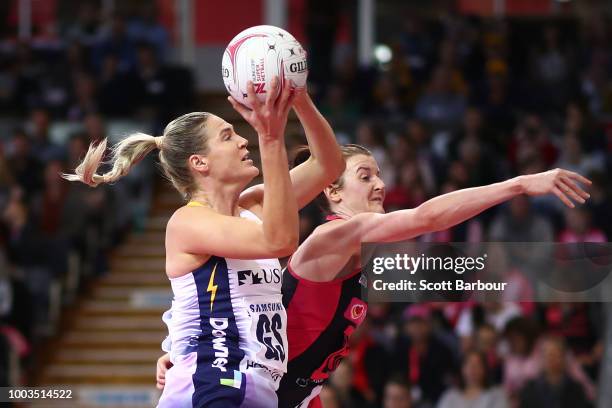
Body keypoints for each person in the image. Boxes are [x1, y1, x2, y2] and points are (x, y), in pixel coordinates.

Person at [158, 144, 590, 407]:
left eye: (380, 173)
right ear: (332, 191)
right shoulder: (332, 239)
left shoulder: (359, 253)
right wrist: (516, 185)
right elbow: (425, 216)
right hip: (256, 390)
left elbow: (238, 302)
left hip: (296, 396)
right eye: (365, 176)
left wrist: (176, 351)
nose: (380, 184)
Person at [67, 78, 344, 407]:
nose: (243, 141)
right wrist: (270, 140)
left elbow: (330, 165)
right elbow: (281, 240)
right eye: (228, 136)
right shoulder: (188, 222)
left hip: (254, 388)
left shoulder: (253, 207)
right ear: (199, 162)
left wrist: (301, 100)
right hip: (214, 384)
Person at [437, 350, 509, 408]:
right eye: (469, 364)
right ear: (462, 369)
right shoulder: (450, 396)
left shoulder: (496, 394)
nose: (473, 369)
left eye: (477, 365)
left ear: (484, 369)